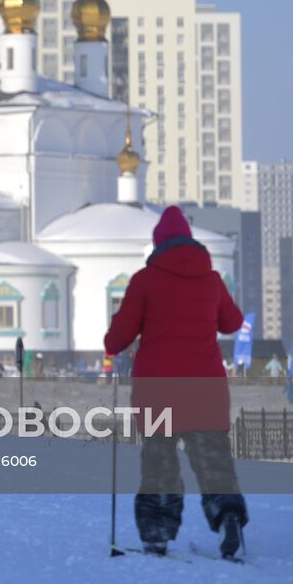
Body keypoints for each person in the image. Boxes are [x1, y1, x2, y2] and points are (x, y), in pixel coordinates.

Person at [104, 206, 248, 560]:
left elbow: (116, 341)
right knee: (213, 462)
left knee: (159, 463)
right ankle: (227, 515)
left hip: (159, 391)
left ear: (158, 245)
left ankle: (156, 533)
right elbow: (232, 322)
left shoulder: (145, 280)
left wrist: (117, 327)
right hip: (206, 392)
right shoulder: (212, 279)